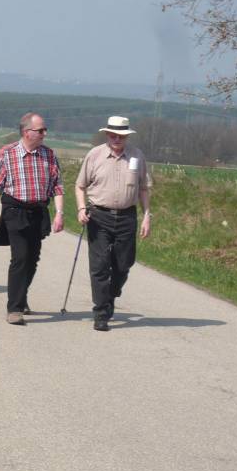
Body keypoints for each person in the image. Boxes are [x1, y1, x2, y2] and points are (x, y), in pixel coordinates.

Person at [0, 112, 65, 325]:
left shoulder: (49, 155)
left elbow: (57, 187)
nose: (44, 134)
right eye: (41, 130)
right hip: (14, 210)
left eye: (45, 130)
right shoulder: (7, 153)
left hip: (38, 211)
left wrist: (59, 214)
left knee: (32, 259)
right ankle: (14, 309)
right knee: (20, 257)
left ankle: (21, 294)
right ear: (27, 132)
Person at [75, 116, 152, 332]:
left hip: (127, 217)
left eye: (121, 136)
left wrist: (147, 215)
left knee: (123, 264)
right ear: (107, 135)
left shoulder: (137, 156)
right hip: (99, 216)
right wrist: (81, 208)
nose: (117, 139)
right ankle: (101, 313)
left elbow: (143, 188)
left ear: (127, 136)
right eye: (113, 135)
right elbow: (80, 186)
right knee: (99, 266)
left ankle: (111, 294)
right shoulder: (95, 155)